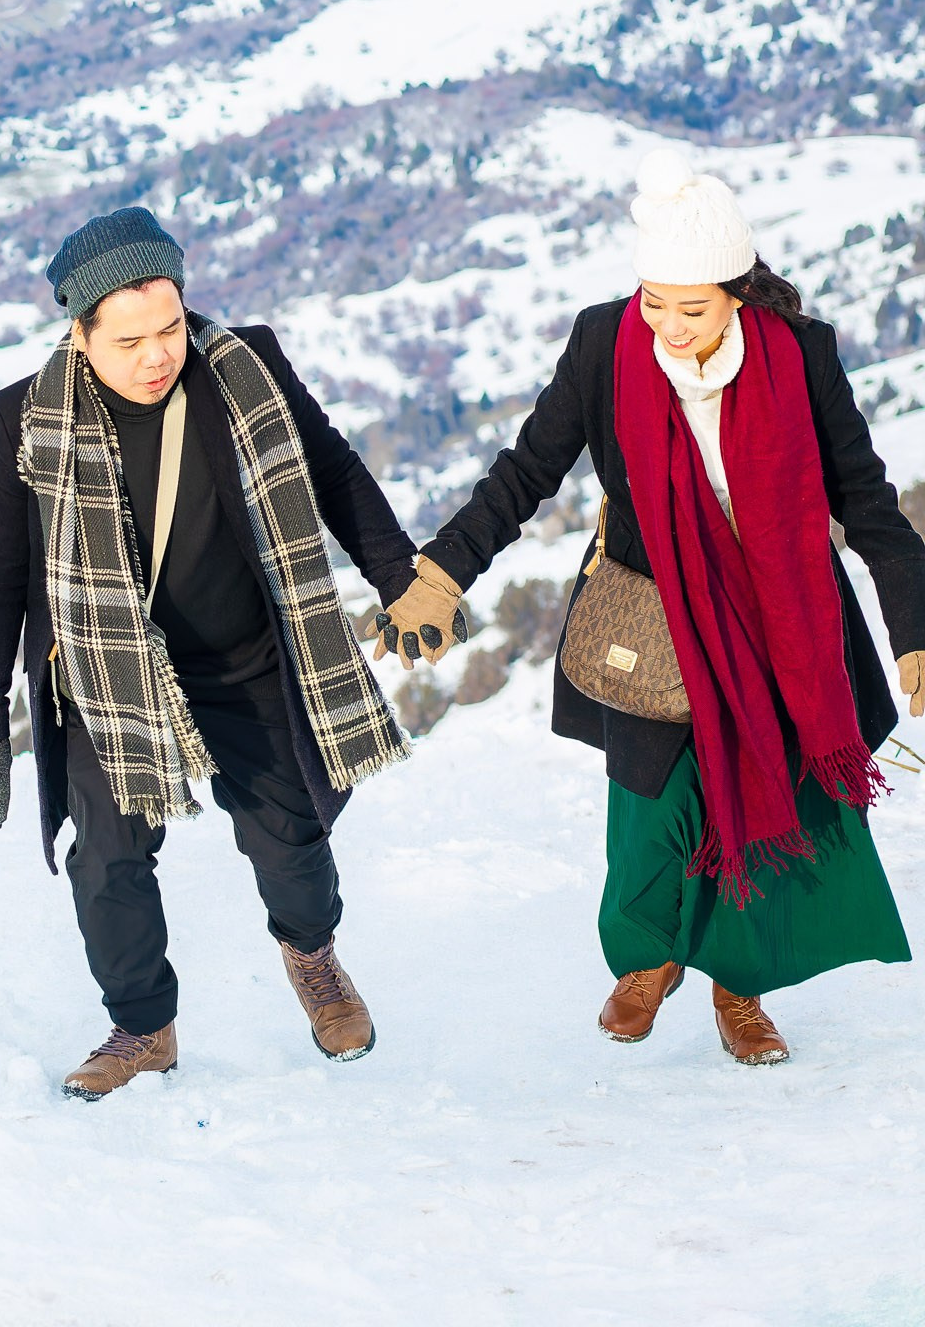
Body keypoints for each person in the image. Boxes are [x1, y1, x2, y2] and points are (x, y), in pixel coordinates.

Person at [381, 149, 919, 1064]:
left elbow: (865, 498)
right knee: (649, 805)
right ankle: (646, 959)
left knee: (765, 795)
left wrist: (915, 626)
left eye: (691, 308)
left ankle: (738, 985)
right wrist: (442, 572)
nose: (667, 324)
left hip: (780, 621)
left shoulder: (801, 355)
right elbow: (525, 472)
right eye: (654, 300)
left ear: (736, 292)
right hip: (652, 614)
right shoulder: (606, 343)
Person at [0, 206, 420, 1100]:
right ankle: (143, 1027)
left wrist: (401, 578)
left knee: (291, 838)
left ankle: (312, 955)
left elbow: (331, 470)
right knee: (107, 858)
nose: (156, 356)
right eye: (129, 341)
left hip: (244, 656)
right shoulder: (26, 419)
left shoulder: (246, 369)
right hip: (110, 674)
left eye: (169, 328)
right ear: (81, 334)